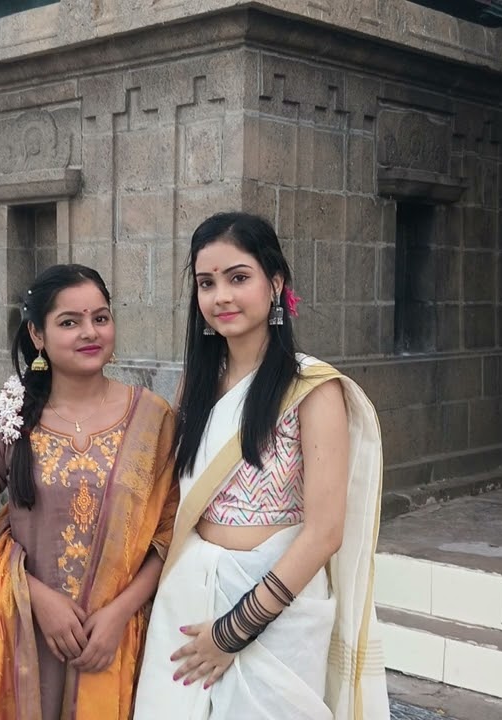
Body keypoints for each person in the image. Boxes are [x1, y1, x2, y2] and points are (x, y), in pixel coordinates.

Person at [134, 212, 388, 720]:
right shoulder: (196, 385)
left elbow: (325, 533)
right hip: (188, 598)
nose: (221, 297)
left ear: (275, 283)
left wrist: (232, 633)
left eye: (238, 277)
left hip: (278, 611)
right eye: (207, 283)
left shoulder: (312, 389)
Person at [0, 264, 178, 720]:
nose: (90, 332)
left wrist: (119, 613)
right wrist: (38, 599)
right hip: (27, 637)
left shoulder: (153, 419)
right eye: (69, 322)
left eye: (100, 318)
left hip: (119, 640)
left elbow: (168, 535)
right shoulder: (4, 420)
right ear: (37, 334)